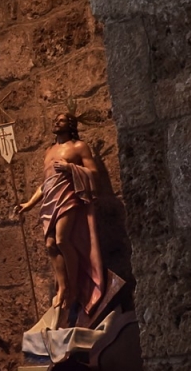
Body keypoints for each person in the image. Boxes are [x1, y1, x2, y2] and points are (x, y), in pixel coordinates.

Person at [17, 109, 135, 329]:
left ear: (70, 124)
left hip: (69, 197)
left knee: (62, 240)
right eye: (55, 118)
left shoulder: (79, 147)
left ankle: (72, 288)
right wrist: (29, 203)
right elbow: (46, 182)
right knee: (51, 244)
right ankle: (62, 287)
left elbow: (93, 172)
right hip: (50, 200)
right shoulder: (49, 150)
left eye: (61, 119)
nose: (56, 121)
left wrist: (70, 168)